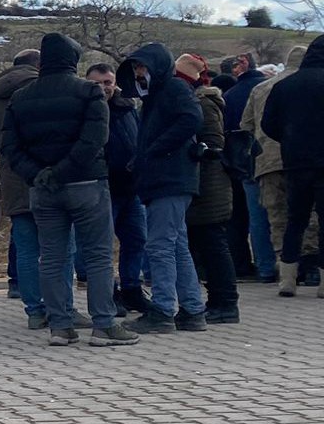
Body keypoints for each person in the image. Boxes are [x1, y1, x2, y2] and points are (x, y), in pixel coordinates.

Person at [0, 34, 138, 347]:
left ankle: (60, 326)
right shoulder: (89, 91)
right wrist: (63, 171)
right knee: (98, 255)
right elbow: (94, 140)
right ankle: (103, 325)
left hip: (42, 189)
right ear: (73, 61)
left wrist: (40, 174)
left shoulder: (21, 97)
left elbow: (9, 147)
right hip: (87, 183)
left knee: (51, 257)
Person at [123, 42, 207, 333]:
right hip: (169, 179)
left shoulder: (172, 89)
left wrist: (155, 151)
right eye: (135, 68)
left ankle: (162, 310)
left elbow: (191, 119)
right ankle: (192, 309)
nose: (138, 72)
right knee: (176, 245)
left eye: (141, 66)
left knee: (159, 246)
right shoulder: (160, 94)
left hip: (169, 180)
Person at [244, 46, 319, 294]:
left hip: (280, 162)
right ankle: (314, 274)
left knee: (285, 219)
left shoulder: (269, 87)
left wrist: (287, 141)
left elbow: (256, 125)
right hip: (319, 161)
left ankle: (285, 275)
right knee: (316, 220)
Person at [0, 48, 43, 323]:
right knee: (57, 248)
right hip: (45, 177)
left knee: (25, 247)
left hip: (12, 181)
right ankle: (60, 308)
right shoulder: (41, 90)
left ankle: (33, 309)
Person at [175, 55, 239, 323]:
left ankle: (225, 302)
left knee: (213, 243)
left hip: (209, 186)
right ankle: (218, 300)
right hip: (205, 184)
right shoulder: (202, 102)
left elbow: (213, 144)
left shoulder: (203, 104)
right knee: (206, 243)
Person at [85, 63, 150, 315]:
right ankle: (107, 294)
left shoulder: (127, 108)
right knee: (101, 246)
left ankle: (132, 290)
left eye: (107, 82)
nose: (103, 88)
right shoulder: (86, 108)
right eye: (98, 83)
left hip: (131, 188)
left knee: (136, 240)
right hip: (102, 188)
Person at [262, 38, 324, 297]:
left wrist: (290, 140)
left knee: (295, 219)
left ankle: (287, 279)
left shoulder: (284, 86)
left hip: (295, 162)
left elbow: (268, 124)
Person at [221, 52, 273, 281]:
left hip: (237, 161)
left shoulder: (230, 95)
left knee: (241, 217)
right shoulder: (266, 88)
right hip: (269, 158)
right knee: (268, 214)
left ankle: (252, 266)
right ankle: (282, 265)